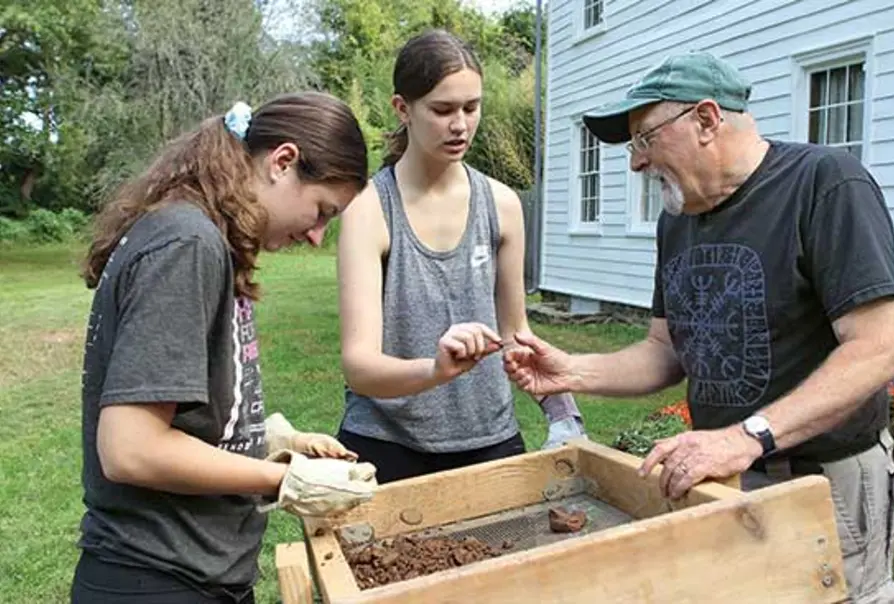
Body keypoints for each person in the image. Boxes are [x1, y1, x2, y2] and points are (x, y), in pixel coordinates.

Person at [503, 51, 894, 604]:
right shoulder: (678, 219)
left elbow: (876, 351)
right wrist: (571, 369)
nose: (635, 164)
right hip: (723, 477)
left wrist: (747, 437)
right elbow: (665, 350)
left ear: (708, 119)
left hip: (823, 479)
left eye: (644, 139)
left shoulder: (826, 183)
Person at [72, 93, 379, 604]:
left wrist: (271, 439)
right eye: (322, 210)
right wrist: (285, 480)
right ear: (283, 161)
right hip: (158, 580)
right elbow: (131, 449)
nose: (318, 236)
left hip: (196, 577)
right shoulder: (188, 244)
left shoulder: (205, 236)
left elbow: (180, 414)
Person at [335, 29, 586, 484]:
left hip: (489, 441)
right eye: (443, 109)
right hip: (385, 446)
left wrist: (564, 412)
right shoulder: (369, 210)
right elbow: (360, 366)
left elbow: (515, 335)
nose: (460, 125)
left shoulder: (503, 205)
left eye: (472, 107)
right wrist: (435, 370)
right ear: (402, 109)